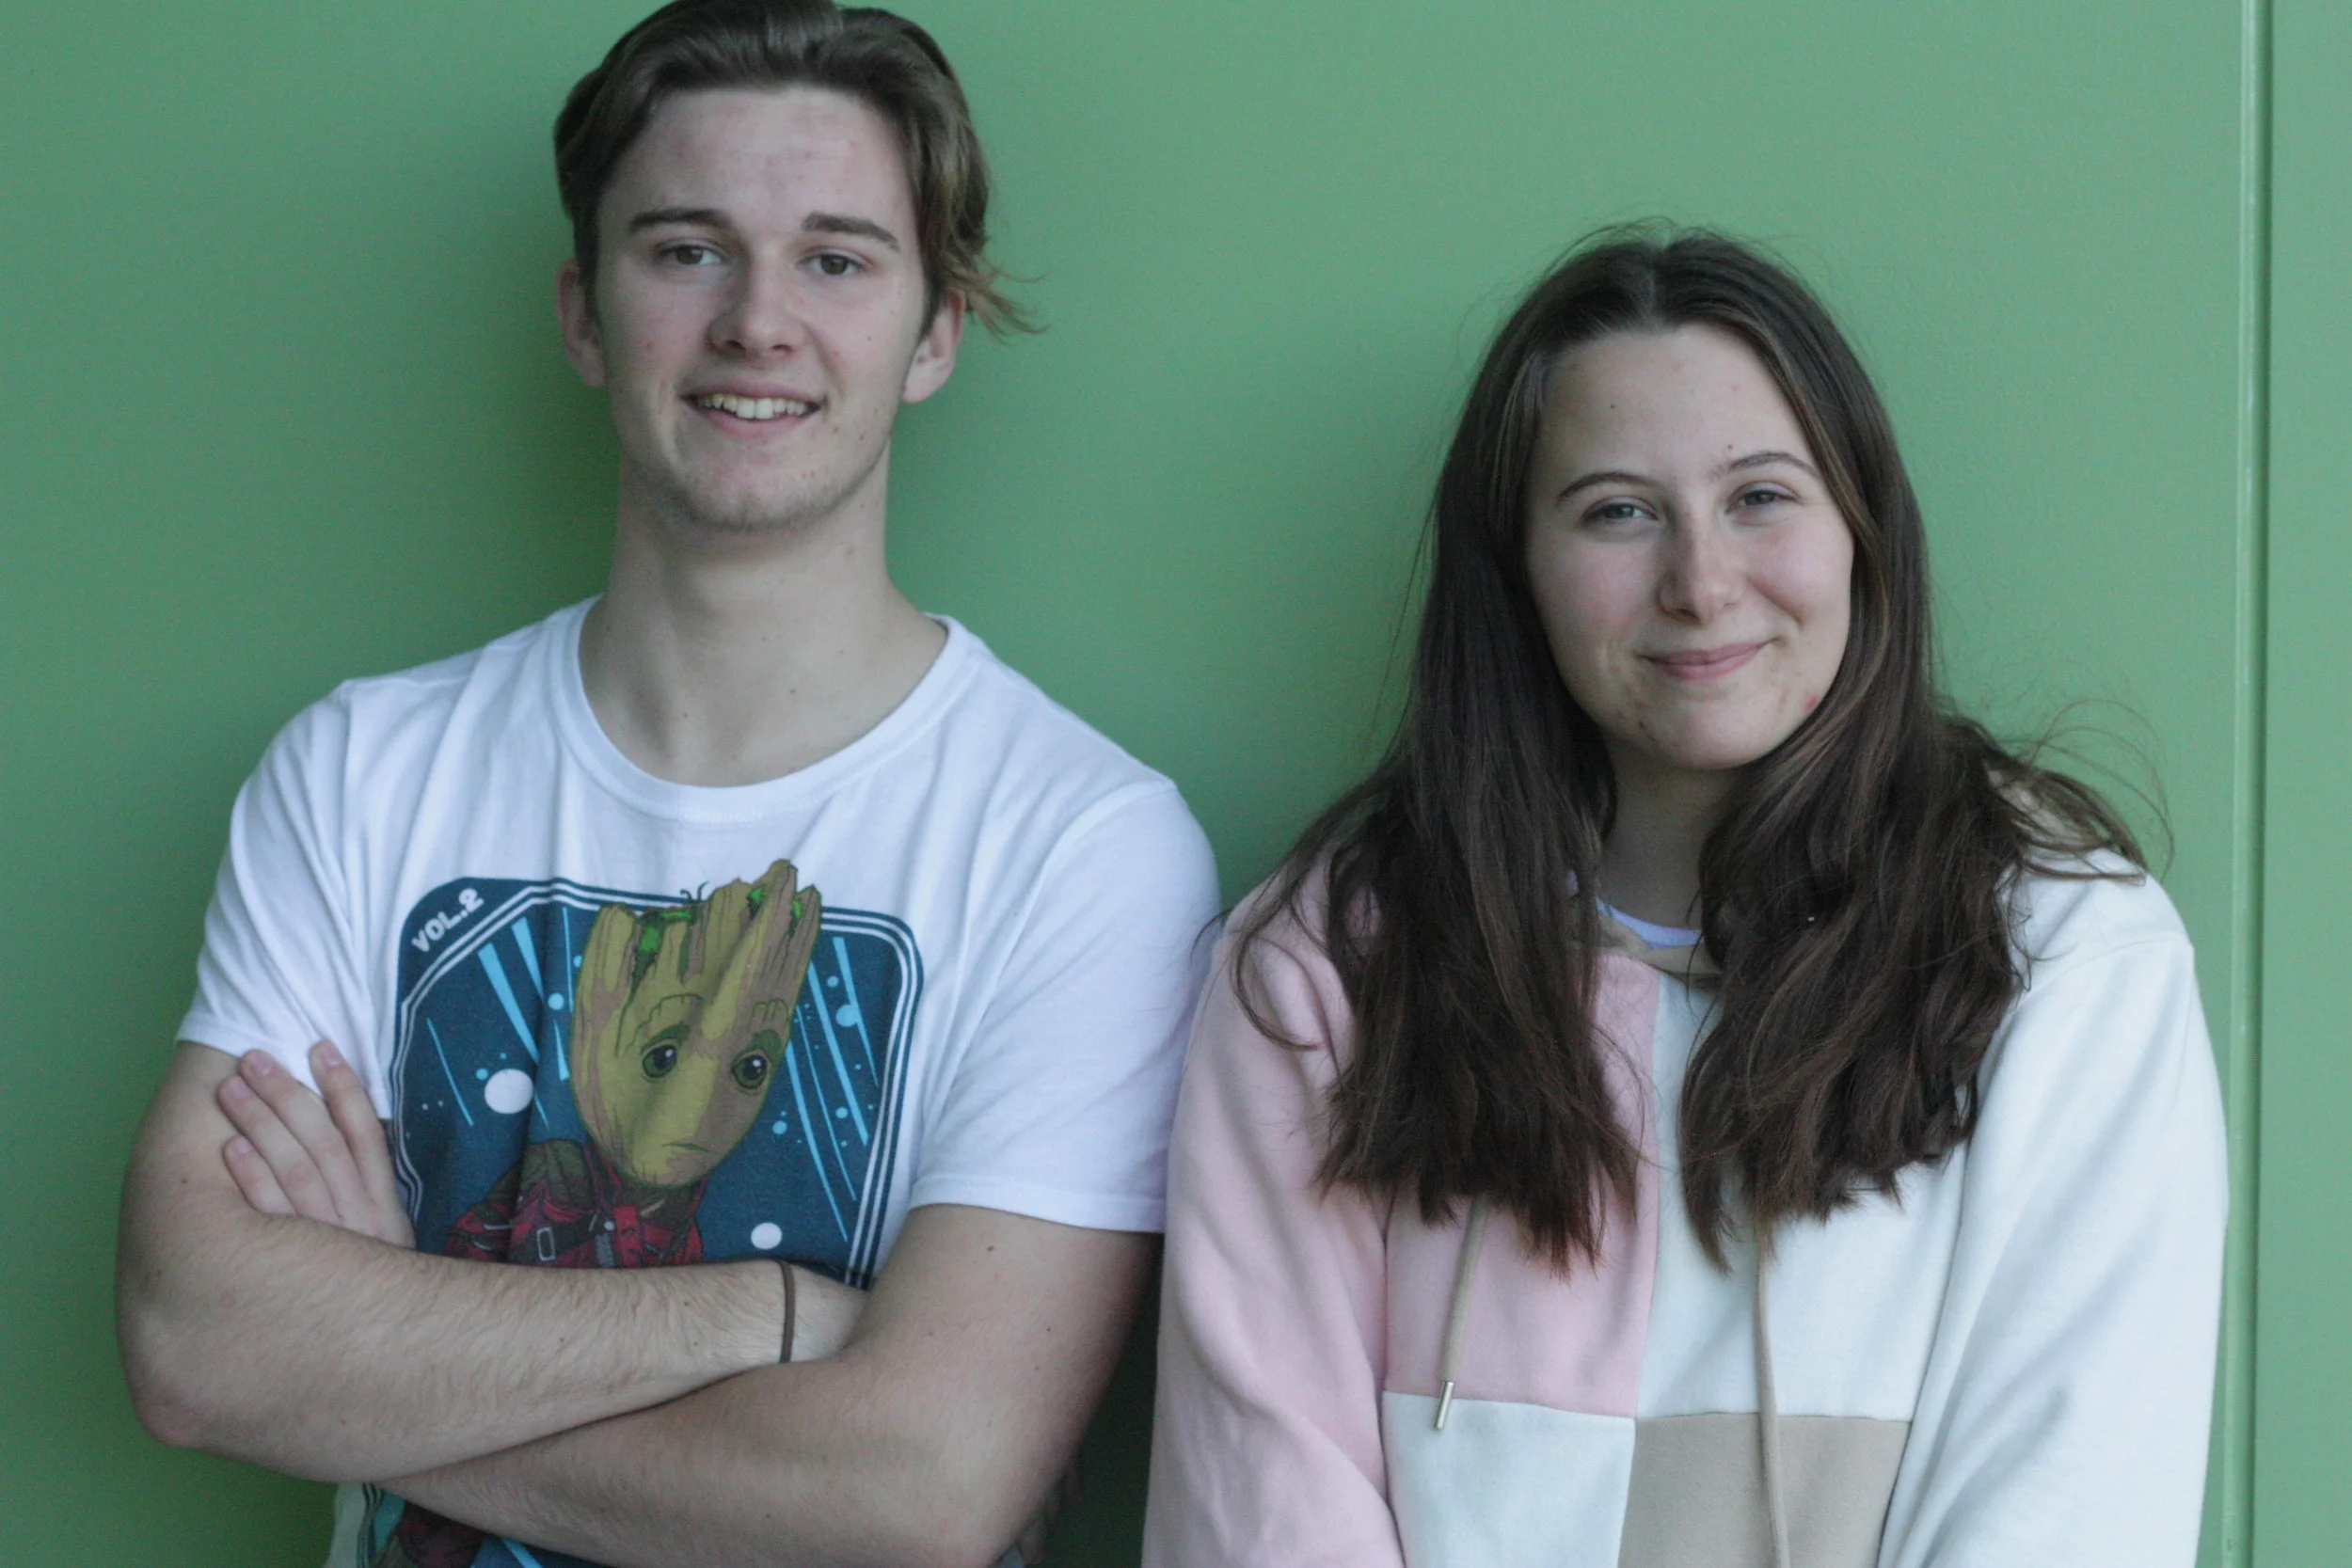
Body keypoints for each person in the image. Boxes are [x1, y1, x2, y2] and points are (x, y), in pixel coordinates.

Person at [115, 4, 1218, 1566]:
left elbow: (919, 1490)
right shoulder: (362, 772)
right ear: (583, 314)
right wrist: (779, 1319)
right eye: (686, 250)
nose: (759, 322)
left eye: (837, 259)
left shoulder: (1080, 845)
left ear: (937, 331)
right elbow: (192, 1342)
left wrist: (377, 1363)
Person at [1142, 230, 2226, 1567]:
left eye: (1762, 496)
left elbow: (2072, 1504)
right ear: (1516, 572)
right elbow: (1264, 1515)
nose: (1702, 583)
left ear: (1863, 531)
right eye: (1616, 510)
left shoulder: (2065, 951)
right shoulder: (1325, 968)